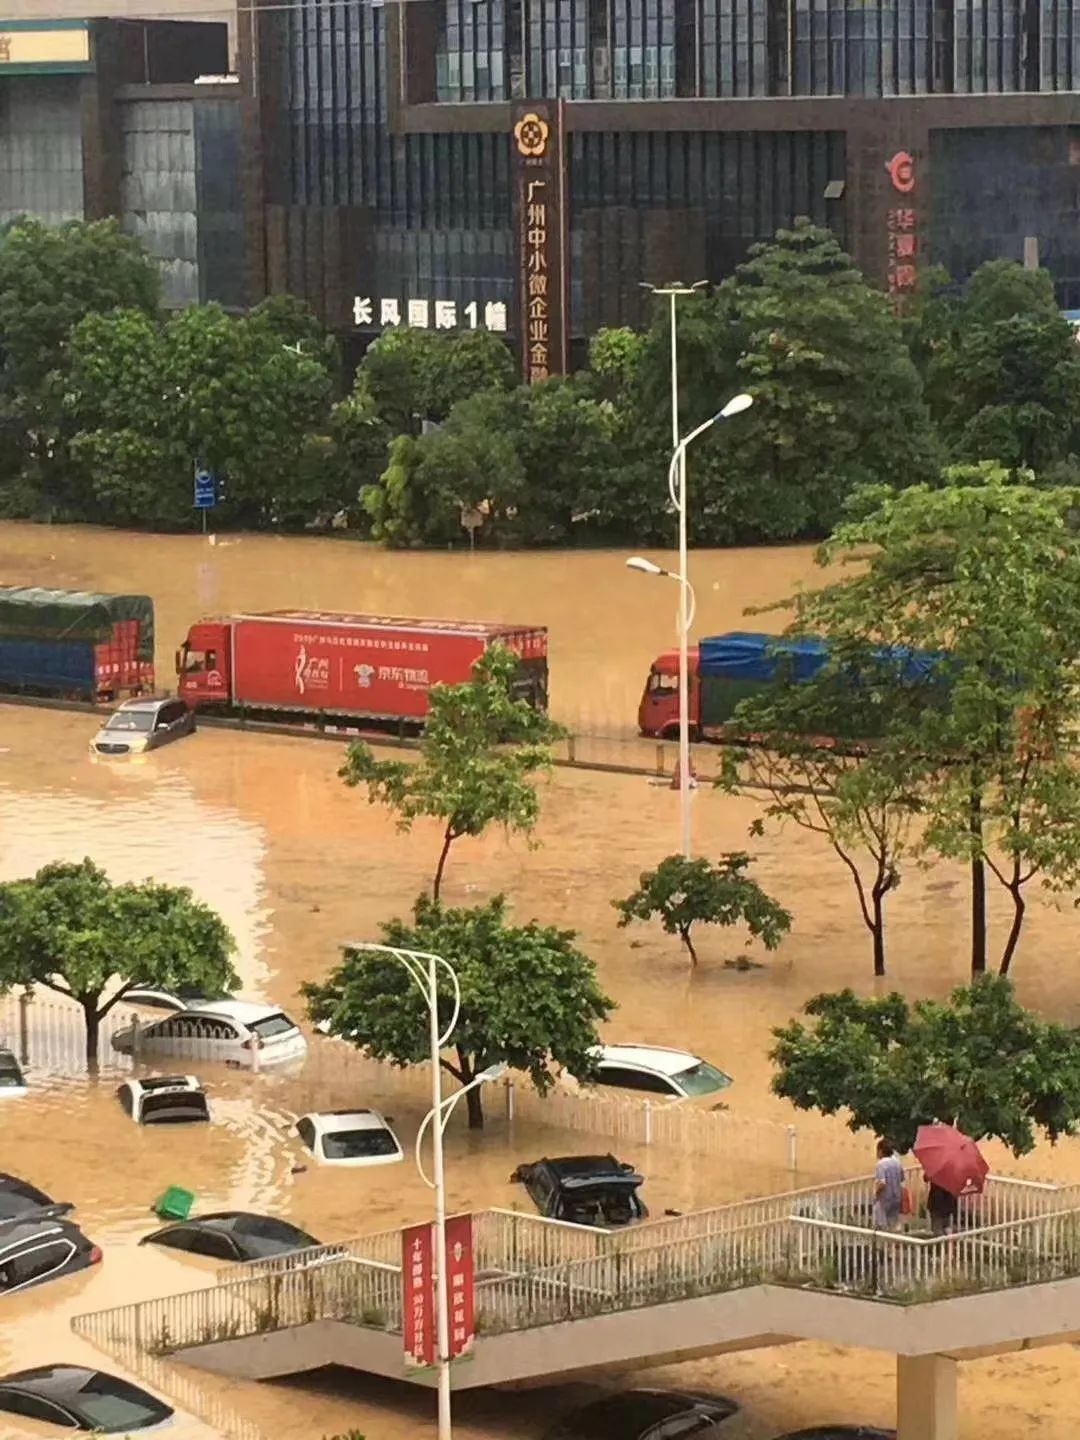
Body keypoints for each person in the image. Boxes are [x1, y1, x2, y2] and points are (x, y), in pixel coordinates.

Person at [873, 1138, 904, 1231]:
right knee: (893, 1225)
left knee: (882, 1226)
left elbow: (882, 1183)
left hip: (884, 1199)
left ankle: (884, 1244)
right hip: (896, 1198)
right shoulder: (897, 1162)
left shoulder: (881, 1164)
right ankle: (893, 1244)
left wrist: (876, 1193)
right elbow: (902, 1178)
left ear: (881, 1151)